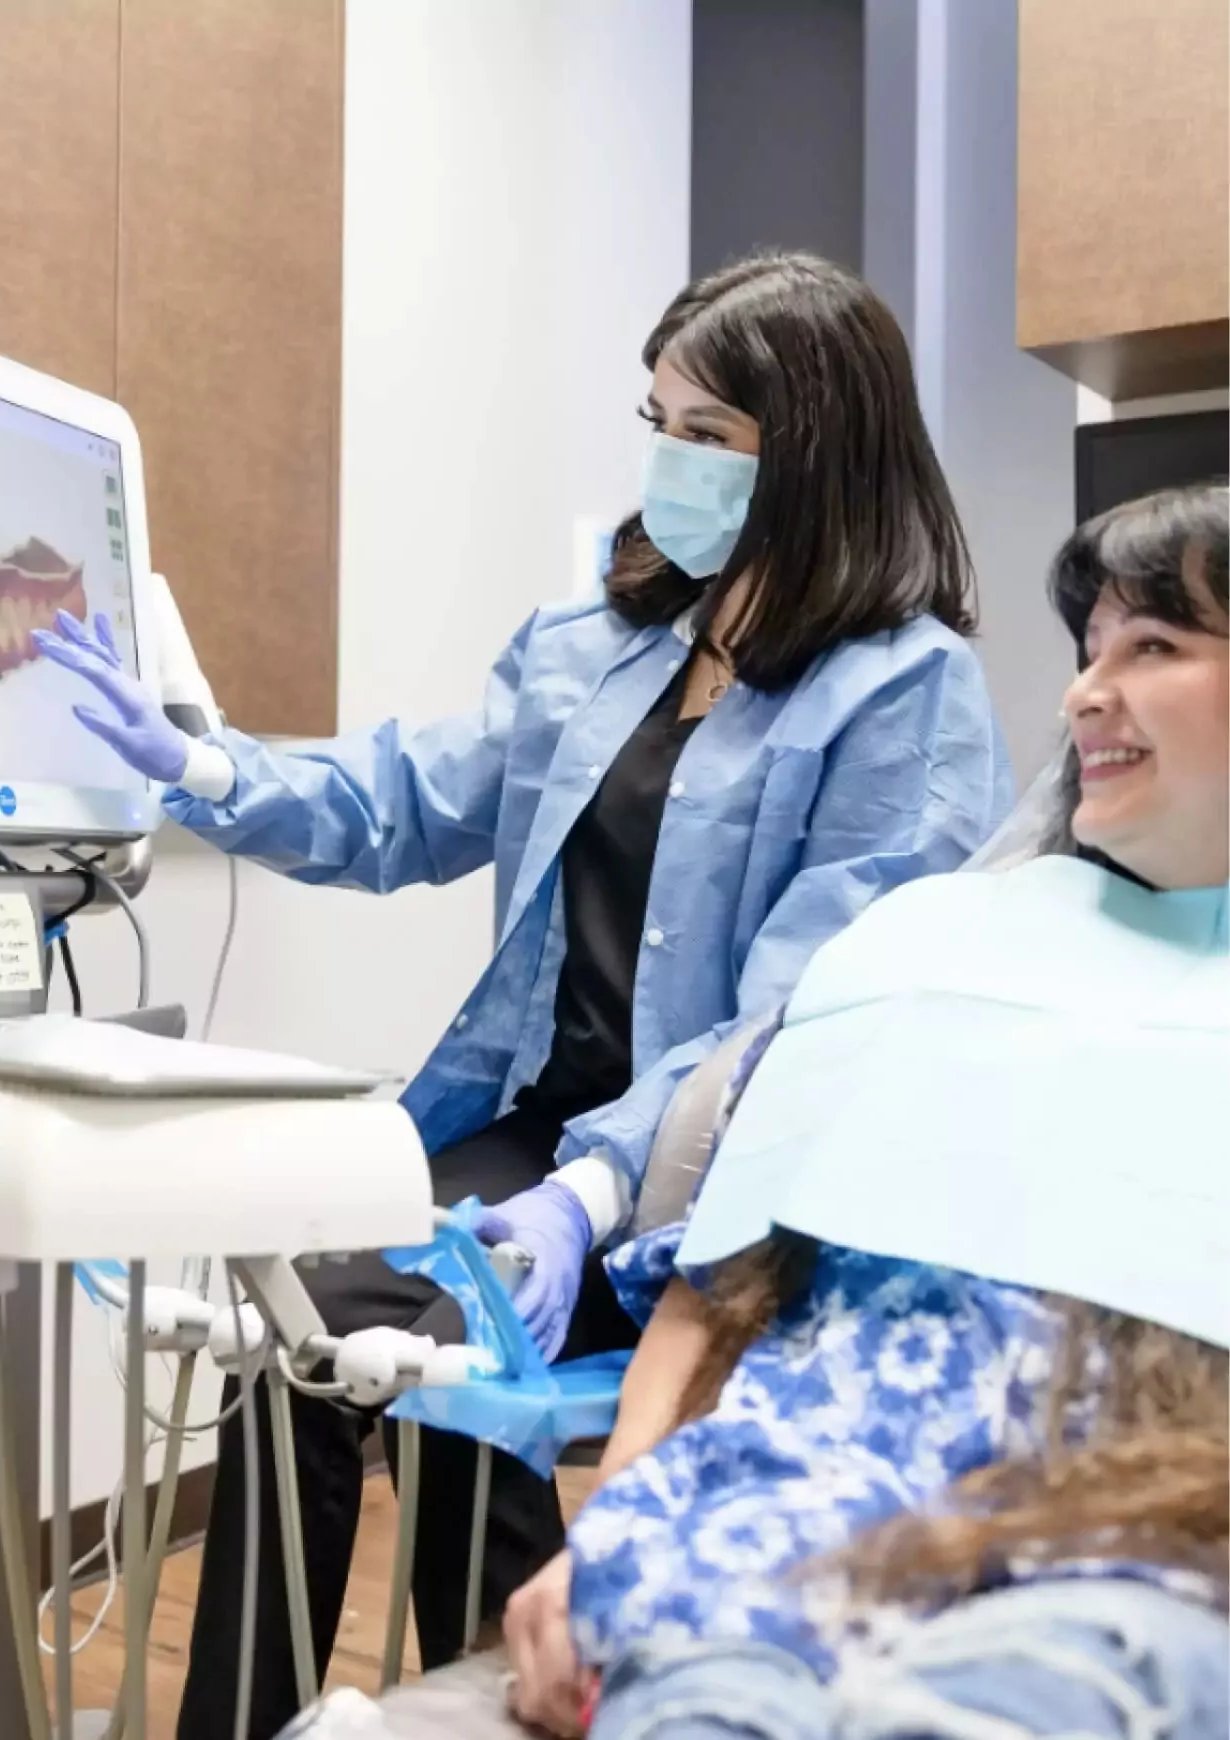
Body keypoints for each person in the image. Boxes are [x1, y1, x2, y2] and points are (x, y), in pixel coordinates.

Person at [35, 250, 1010, 1737]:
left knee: (444, 1352)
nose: (663, 464)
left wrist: (595, 1194)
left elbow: (803, 1010)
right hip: (529, 1131)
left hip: (726, 1174)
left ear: (808, 455)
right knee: (305, 1324)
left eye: (706, 437)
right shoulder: (594, 647)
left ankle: (517, 1697)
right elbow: (398, 801)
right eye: (656, 420)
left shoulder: (900, 692)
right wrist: (202, 767)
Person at [502, 484, 1229, 1739]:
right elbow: (720, 1283)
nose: (1083, 693)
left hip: (1138, 1534)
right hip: (799, 1496)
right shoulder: (921, 945)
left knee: (1058, 1680)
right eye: (1087, 650)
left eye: (1152, 646)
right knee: (709, 1682)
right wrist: (615, 1526)